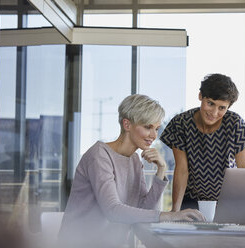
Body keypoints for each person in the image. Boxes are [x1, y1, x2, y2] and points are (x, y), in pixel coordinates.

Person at [58, 94, 204, 248]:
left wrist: (161, 171)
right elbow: (112, 210)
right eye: (148, 127)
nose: (154, 135)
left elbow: (145, 211)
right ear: (127, 125)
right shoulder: (99, 155)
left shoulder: (134, 160)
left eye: (156, 128)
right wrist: (171, 216)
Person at [160, 73, 245, 211]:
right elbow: (181, 170)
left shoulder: (235, 123)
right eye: (210, 103)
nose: (214, 113)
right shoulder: (181, 123)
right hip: (191, 200)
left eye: (222, 108)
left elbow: (243, 167)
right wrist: (175, 210)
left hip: (227, 200)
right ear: (200, 96)